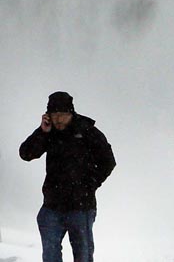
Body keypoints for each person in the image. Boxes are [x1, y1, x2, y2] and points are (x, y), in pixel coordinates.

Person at [19, 91, 116, 262]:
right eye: (54, 115)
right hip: (52, 206)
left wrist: (89, 184)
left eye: (62, 115)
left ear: (71, 113)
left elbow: (108, 161)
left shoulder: (87, 131)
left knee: (83, 255)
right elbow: (26, 154)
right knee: (50, 256)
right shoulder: (49, 133)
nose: (58, 119)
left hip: (81, 207)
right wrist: (42, 132)